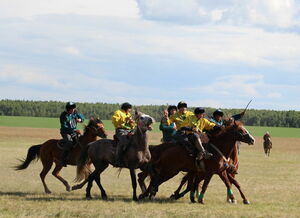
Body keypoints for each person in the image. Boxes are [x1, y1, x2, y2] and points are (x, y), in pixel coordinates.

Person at [60, 102, 85, 167]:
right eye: (72, 108)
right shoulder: (63, 115)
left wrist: (80, 119)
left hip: (74, 132)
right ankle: (63, 159)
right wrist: (73, 130)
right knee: (69, 143)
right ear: (68, 109)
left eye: (74, 108)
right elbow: (64, 126)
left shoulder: (75, 112)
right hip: (66, 132)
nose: (74, 109)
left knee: (81, 141)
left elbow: (82, 117)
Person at [112, 102, 136, 167]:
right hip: (121, 130)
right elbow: (114, 120)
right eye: (129, 108)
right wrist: (125, 119)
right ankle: (118, 160)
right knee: (124, 141)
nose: (130, 110)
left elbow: (132, 125)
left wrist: (132, 123)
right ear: (125, 108)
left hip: (129, 130)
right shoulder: (118, 112)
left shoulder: (129, 114)